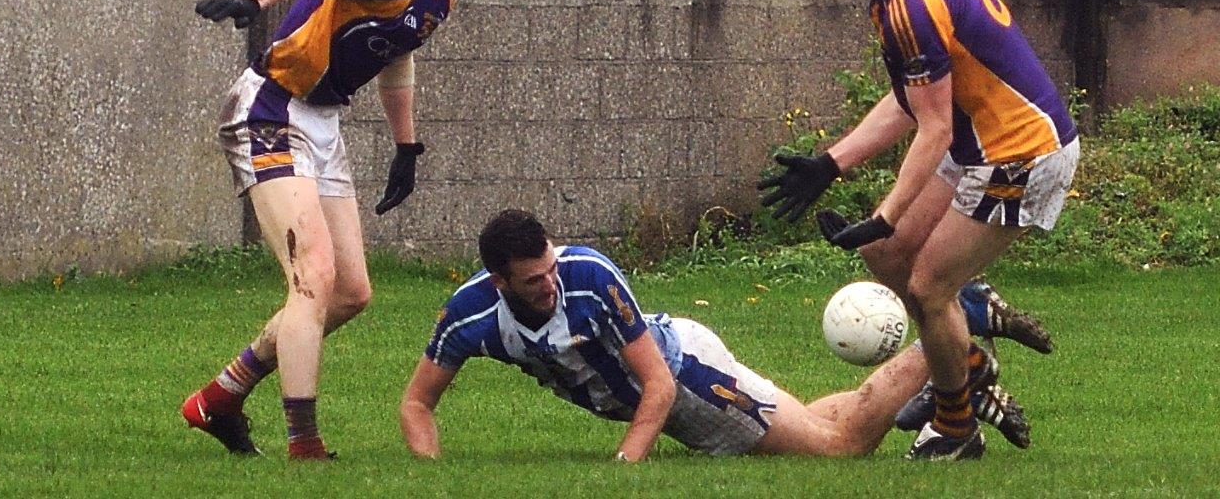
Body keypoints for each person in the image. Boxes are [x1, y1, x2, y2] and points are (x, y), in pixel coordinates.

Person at [181, 0, 515, 460]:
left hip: (323, 121)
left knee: (352, 292)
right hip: (272, 110)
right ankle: (304, 445)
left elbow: (396, 56)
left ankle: (222, 397)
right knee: (312, 276)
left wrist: (406, 146)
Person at [759, 0, 1079, 460]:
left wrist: (885, 215)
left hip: (1023, 153)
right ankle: (966, 353)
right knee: (885, 257)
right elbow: (913, 100)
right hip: (980, 144)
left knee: (929, 285)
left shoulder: (906, 4)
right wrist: (831, 163)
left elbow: (932, 128)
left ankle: (957, 427)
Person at [399, 209, 1035, 462]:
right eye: (533, 280)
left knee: (836, 447)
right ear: (498, 280)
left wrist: (625, 465)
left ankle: (951, 339)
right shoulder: (470, 315)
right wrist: (428, 474)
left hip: (686, 379)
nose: (548, 283)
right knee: (810, 421)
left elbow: (656, 384)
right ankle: (950, 359)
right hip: (673, 386)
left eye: (549, 268)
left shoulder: (587, 275)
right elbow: (416, 402)